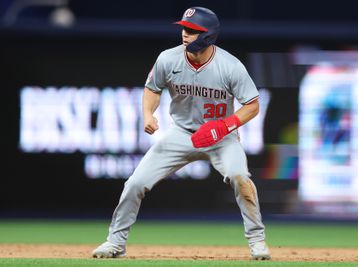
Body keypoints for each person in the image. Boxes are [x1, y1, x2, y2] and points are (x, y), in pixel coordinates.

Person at [92, 6, 271, 260]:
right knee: (135, 183)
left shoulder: (230, 66)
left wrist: (225, 126)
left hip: (221, 137)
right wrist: (148, 114)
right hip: (181, 133)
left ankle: (257, 241)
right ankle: (115, 242)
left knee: (239, 176)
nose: (185, 34)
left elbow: (252, 105)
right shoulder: (168, 58)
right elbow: (152, 88)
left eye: (192, 30)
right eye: (184, 29)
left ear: (208, 35)